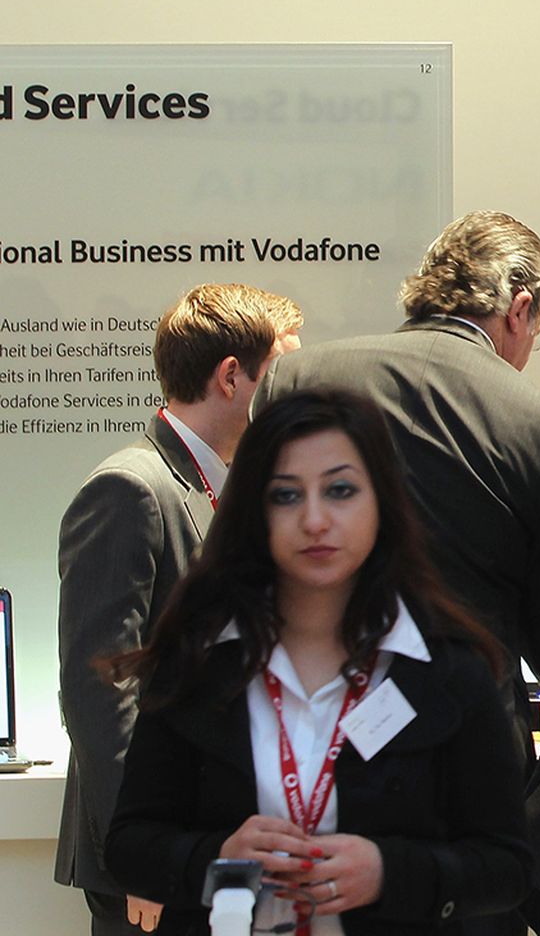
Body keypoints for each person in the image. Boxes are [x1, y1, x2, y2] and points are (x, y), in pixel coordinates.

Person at [102, 388, 531, 936]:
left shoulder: (445, 670)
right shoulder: (200, 661)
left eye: (341, 491)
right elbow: (129, 848)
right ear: (255, 512)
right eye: (285, 496)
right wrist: (219, 859)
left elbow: (506, 866)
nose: (314, 519)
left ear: (383, 502)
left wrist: (387, 872)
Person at [258, 211, 540, 742]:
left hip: (309, 739)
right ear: (520, 308)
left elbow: (244, 561)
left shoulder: (297, 379)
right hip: (468, 751)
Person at [56, 283, 303, 935]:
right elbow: (98, 687)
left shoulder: (218, 488)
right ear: (231, 377)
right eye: (282, 377)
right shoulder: (131, 489)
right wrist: (141, 858)